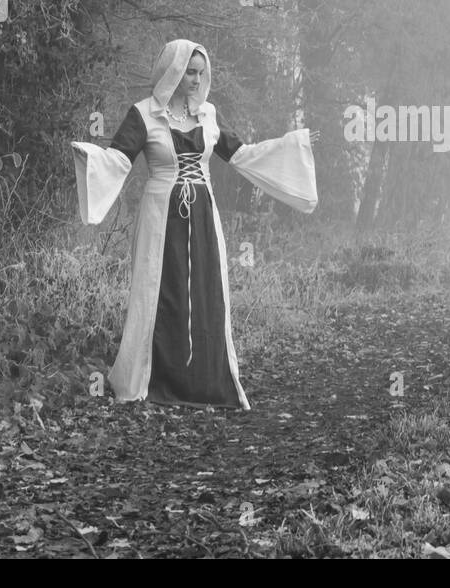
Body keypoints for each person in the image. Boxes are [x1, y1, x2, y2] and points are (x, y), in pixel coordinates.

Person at [72, 39, 318, 408]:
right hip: (161, 218)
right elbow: (118, 159)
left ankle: (203, 381)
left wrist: (293, 144)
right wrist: (88, 156)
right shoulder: (144, 115)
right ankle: (154, 380)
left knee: (205, 291)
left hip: (202, 215)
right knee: (161, 293)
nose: (196, 79)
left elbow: (242, 154)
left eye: (201, 72)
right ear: (173, 69)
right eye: (190, 71)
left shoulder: (208, 116)